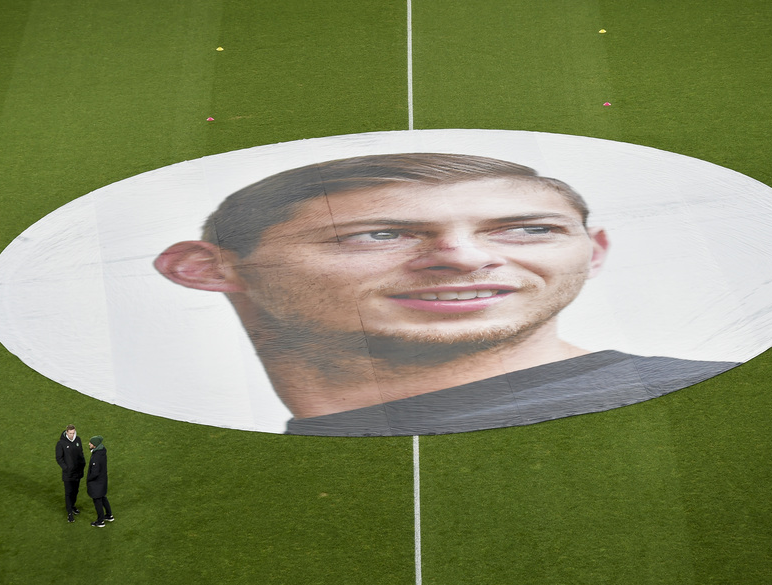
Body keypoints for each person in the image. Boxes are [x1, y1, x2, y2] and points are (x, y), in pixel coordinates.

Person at [155, 153, 737, 436]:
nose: (464, 257)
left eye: (530, 229)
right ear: (205, 269)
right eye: (378, 234)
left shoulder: (703, 406)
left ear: (595, 252)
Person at [55, 424, 85, 522]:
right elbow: (59, 458)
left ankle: (72, 506)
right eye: (70, 433)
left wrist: (83, 464)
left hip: (77, 472)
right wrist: (66, 468)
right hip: (68, 474)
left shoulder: (78, 440)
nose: (72, 435)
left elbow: (81, 453)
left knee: (75, 491)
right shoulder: (61, 443)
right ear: (66, 432)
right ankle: (69, 513)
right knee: (68, 492)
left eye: (73, 433)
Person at [86, 436, 114, 527]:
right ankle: (109, 515)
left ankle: (100, 521)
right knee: (103, 497)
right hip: (102, 481)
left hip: (96, 483)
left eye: (91, 443)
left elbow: (95, 473)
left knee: (97, 500)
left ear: (95, 445)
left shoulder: (96, 457)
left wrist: (89, 479)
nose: (89, 444)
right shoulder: (102, 451)